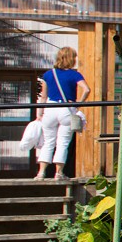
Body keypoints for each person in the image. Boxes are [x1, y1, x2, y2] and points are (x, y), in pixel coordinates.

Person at [36, 46, 90, 180]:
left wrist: (39, 113)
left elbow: (43, 96)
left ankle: (41, 172)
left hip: (50, 108)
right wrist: (79, 103)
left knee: (48, 142)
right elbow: (86, 89)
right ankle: (59, 173)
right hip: (67, 108)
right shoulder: (74, 74)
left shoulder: (49, 74)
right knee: (63, 142)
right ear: (72, 59)